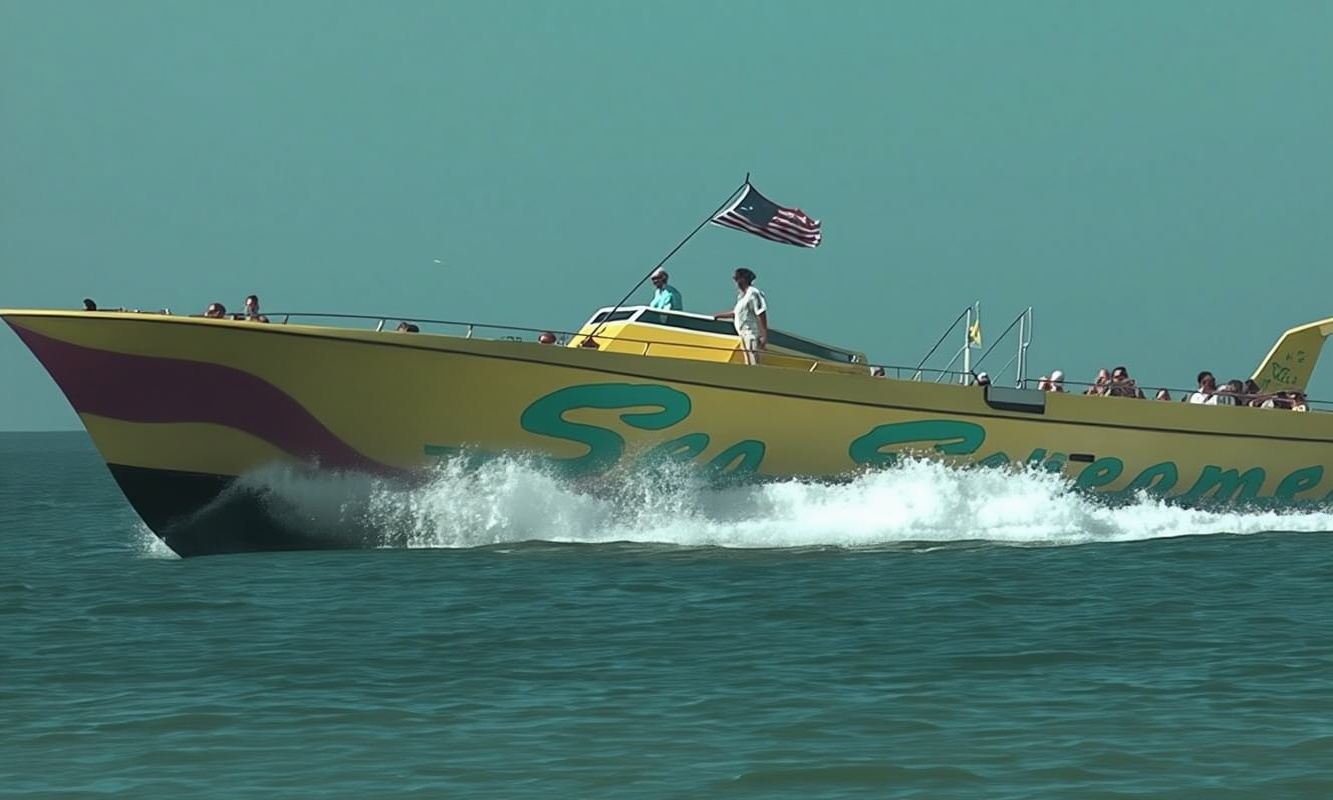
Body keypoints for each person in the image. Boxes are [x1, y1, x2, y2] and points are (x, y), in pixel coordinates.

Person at [713, 267, 768, 365]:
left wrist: (763, 335)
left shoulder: (753, 293)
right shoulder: (741, 296)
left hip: (750, 334)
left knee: (753, 363)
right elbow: (735, 313)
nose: (735, 282)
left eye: (736, 278)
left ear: (743, 279)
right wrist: (718, 316)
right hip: (742, 334)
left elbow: (761, 313)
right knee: (748, 362)